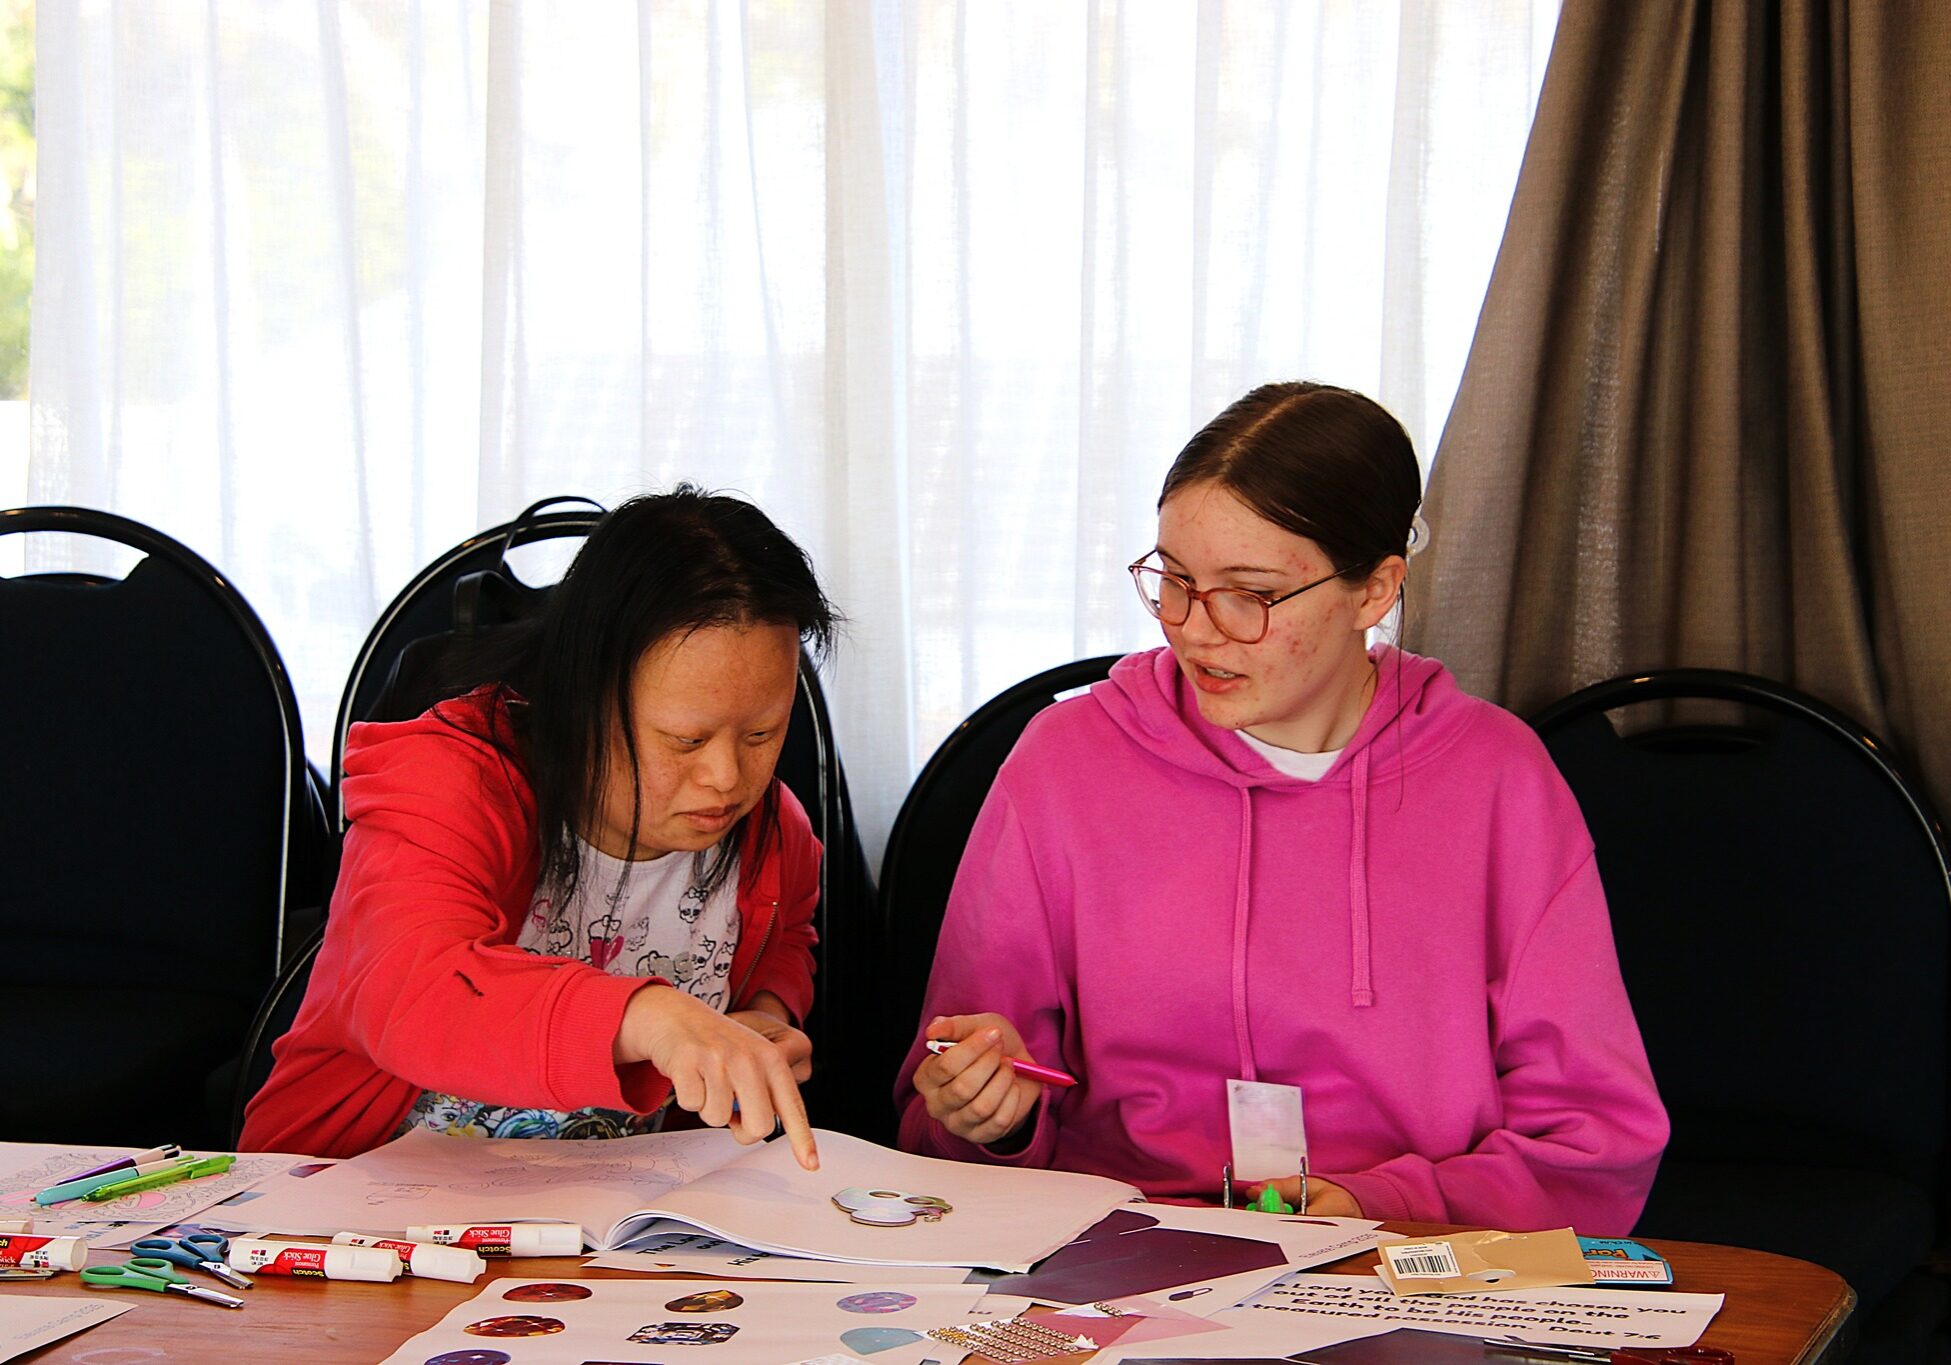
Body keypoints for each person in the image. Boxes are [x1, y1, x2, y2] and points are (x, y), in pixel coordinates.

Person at [897, 382, 1668, 1233]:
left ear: (1373, 591)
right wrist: (985, 1115)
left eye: (1249, 594)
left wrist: (1383, 1201)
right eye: (1175, 580)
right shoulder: (1064, 761)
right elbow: (943, 1106)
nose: (1193, 628)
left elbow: (1596, 1140)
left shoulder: (1498, 779)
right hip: (1112, 1252)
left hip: (1394, 1254)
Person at [242, 487, 834, 1165]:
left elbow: (787, 933)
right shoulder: (449, 780)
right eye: (685, 739)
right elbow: (413, 990)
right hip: (348, 1202)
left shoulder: (771, 832)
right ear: (579, 695)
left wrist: (760, 1016)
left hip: (597, 1221)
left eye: (762, 731)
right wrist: (651, 1017)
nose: (728, 777)